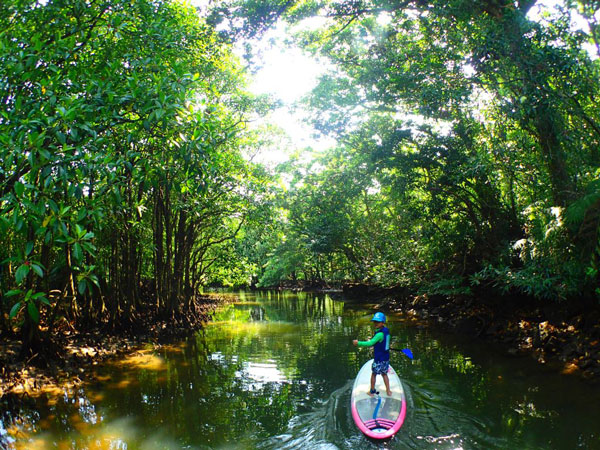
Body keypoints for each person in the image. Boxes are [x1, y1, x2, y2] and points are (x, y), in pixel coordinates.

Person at [352, 312, 392, 396]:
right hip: (386, 358)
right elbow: (386, 343)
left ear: (382, 322)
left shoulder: (379, 334)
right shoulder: (386, 331)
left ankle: (372, 391)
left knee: (374, 374)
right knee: (384, 374)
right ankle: (388, 391)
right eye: (374, 321)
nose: (375, 323)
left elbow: (370, 343)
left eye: (378, 322)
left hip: (379, 359)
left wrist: (358, 343)